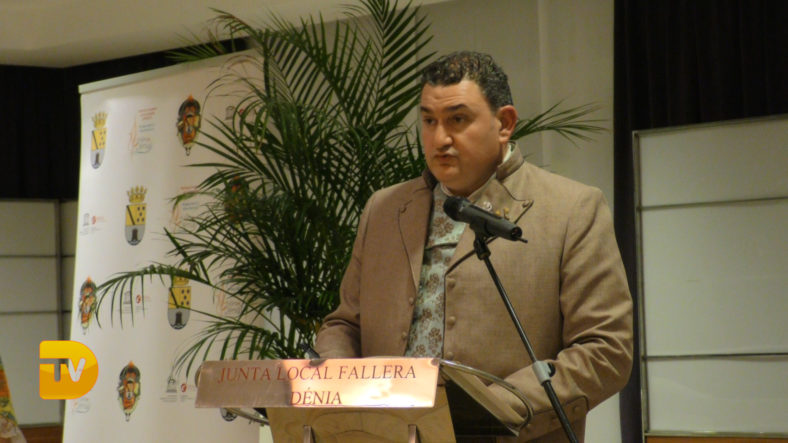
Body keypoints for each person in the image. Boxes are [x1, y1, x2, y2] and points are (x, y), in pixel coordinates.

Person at [314, 51, 633, 442]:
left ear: (505, 123)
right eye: (429, 121)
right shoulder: (384, 209)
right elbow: (345, 324)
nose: (439, 139)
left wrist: (496, 408)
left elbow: (605, 351)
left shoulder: (571, 210)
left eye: (458, 120)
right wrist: (339, 387)